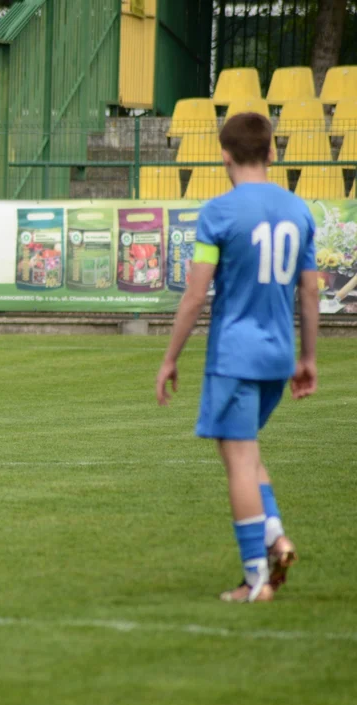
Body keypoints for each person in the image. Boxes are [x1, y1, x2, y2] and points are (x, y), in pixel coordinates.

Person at [156, 112, 319, 603]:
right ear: (272, 153)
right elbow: (310, 293)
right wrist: (308, 358)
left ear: (225, 155)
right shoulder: (299, 211)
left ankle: (256, 581)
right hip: (278, 355)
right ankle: (276, 539)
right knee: (245, 454)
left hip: (234, 354)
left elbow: (195, 293)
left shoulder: (219, 213)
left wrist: (169, 358)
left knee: (239, 462)